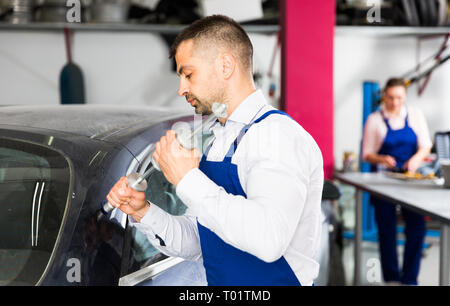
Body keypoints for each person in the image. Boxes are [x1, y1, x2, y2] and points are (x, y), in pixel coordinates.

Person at [106, 15, 324, 286]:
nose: (181, 89)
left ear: (225, 65)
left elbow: (269, 240)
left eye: (188, 74)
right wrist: (143, 211)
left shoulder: (277, 136)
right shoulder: (218, 141)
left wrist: (187, 180)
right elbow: (199, 243)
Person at [362, 77, 432, 285]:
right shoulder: (374, 119)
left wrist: (415, 160)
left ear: (405, 97)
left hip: (411, 181)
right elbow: (367, 154)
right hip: (384, 182)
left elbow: (425, 145)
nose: (395, 102)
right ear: (385, 96)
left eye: (399, 98)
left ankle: (410, 279)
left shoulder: (415, 115)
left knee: (417, 227)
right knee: (386, 229)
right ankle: (392, 278)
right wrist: (382, 158)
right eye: (391, 98)